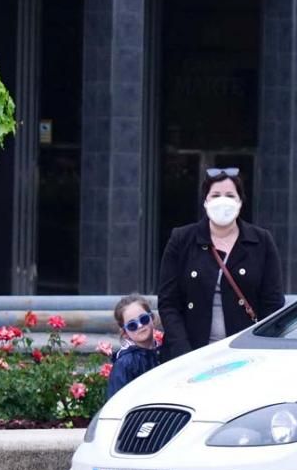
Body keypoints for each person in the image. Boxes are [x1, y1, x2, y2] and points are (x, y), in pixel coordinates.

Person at [157, 168, 285, 361]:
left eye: (230, 195)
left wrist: (260, 349)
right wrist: (183, 352)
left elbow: (273, 303)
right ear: (205, 201)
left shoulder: (261, 241)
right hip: (190, 354)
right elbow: (168, 303)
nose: (222, 201)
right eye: (215, 195)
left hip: (244, 354)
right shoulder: (181, 239)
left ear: (240, 202)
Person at [107, 294, 161, 399]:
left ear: (152, 318)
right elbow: (117, 403)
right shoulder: (125, 364)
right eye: (132, 325)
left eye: (144, 319)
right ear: (125, 332)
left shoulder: (165, 352)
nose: (140, 326)